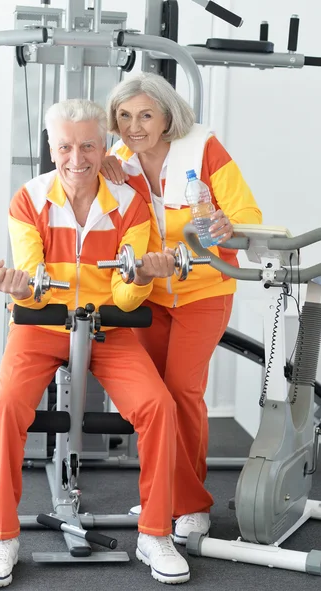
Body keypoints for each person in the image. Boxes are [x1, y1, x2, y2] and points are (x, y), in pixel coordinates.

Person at [0, 98, 190, 588]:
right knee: (6, 410)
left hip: (108, 326)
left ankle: (155, 533)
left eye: (88, 145)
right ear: (52, 147)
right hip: (41, 326)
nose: (77, 158)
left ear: (103, 146)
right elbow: (34, 278)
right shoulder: (28, 199)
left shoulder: (130, 203)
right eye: (66, 146)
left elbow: (126, 293)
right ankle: (2, 536)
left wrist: (142, 275)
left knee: (159, 406)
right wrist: (17, 285)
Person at [102, 72, 262, 544]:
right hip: (151, 294)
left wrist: (224, 223)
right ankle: (162, 497)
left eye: (145, 115)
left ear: (168, 116)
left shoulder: (205, 149)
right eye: (125, 117)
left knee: (181, 390)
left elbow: (248, 219)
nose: (134, 126)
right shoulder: (119, 162)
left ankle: (192, 505)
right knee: (154, 398)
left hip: (204, 290)